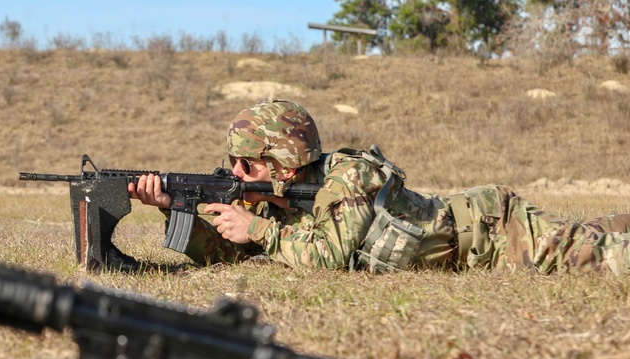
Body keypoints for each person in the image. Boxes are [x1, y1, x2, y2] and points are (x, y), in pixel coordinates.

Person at [129, 99, 630, 273]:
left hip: (496, 234)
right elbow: (228, 257)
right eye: (232, 163)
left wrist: (258, 232)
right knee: (597, 231)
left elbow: (330, 257)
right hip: (474, 245)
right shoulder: (276, 201)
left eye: (246, 164)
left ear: (282, 162)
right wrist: (172, 208)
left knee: (607, 257)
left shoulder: (350, 177)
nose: (234, 174)